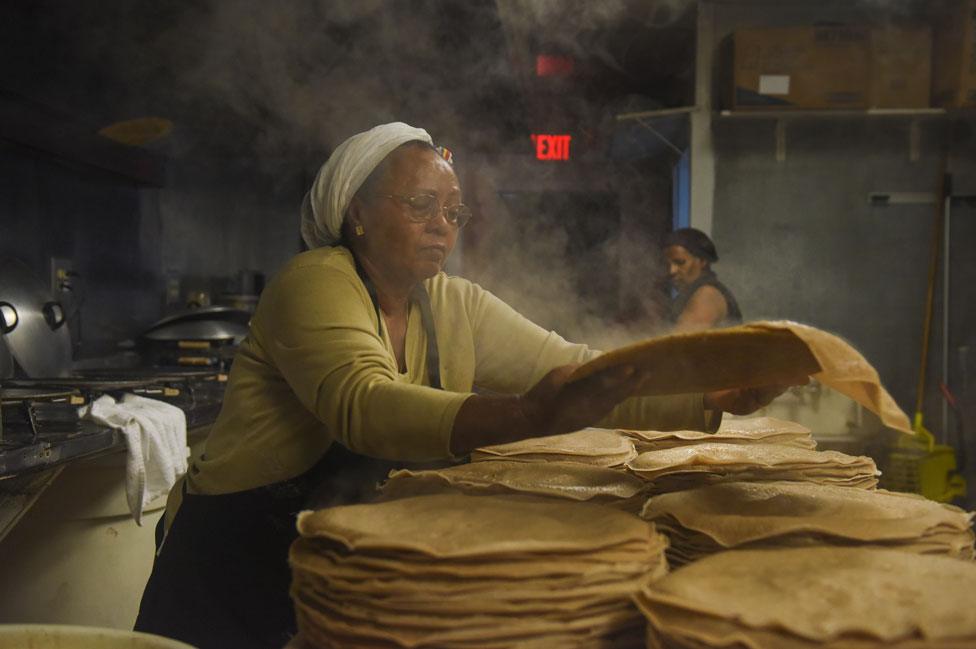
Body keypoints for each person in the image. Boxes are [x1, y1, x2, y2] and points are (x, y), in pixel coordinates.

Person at [134, 123, 797, 649]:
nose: (443, 224)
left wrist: (709, 397)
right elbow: (365, 404)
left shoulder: (453, 305)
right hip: (233, 570)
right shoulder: (315, 279)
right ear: (357, 212)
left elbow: (581, 369)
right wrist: (533, 413)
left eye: (454, 211)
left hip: (345, 573)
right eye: (421, 205)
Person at [664, 227, 742, 333]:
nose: (671, 271)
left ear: (702, 261)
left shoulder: (707, 295)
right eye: (667, 264)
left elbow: (678, 345)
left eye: (680, 262)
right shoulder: (691, 294)